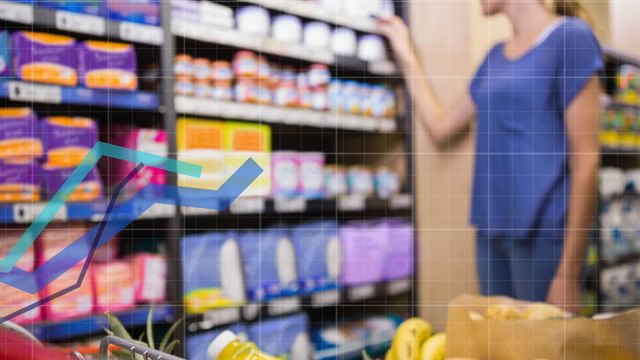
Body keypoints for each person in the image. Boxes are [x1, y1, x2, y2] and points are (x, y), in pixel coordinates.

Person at [379, 0, 602, 313]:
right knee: (499, 344)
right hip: (491, 231)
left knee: (542, 349)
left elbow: (587, 160)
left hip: (545, 236)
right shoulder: (494, 58)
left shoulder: (571, 38)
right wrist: (404, 51)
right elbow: (441, 127)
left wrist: (568, 272)